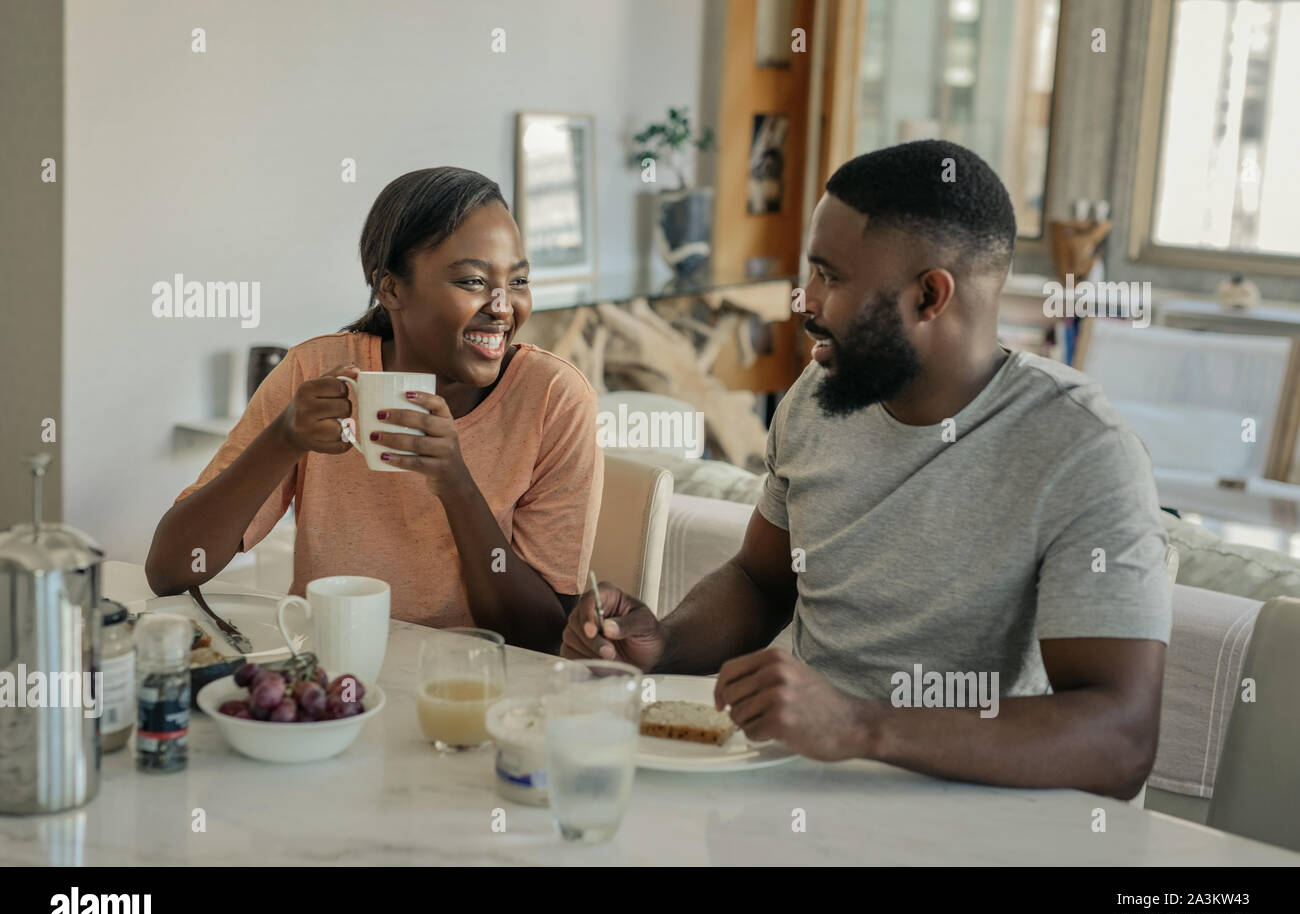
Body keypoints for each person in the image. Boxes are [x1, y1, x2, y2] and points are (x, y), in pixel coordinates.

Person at [564, 140, 1170, 798]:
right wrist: (666, 641)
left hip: (964, 821)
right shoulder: (818, 397)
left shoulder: (1082, 450)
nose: (807, 300)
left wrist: (859, 725)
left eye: (831, 276)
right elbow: (762, 580)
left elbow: (1121, 738)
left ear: (930, 296)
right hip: (791, 792)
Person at [147, 167, 602, 651]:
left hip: (471, 688)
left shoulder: (554, 398)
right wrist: (282, 441)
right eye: (472, 280)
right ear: (391, 289)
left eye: (518, 281)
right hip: (326, 673)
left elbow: (542, 638)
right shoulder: (316, 370)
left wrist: (458, 487)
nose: (503, 306)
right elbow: (172, 570)